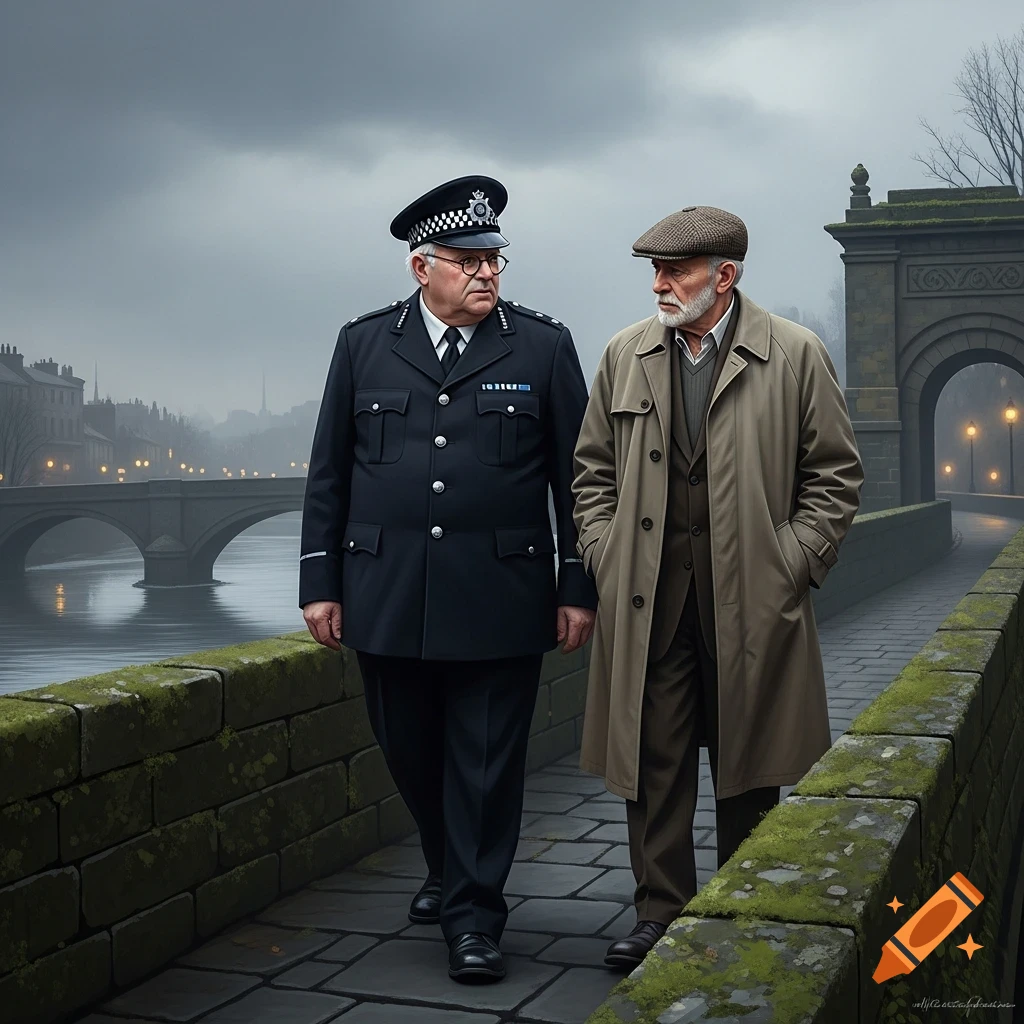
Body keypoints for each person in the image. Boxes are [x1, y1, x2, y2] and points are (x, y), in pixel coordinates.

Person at [299, 175, 597, 982]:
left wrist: (578, 585)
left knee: (487, 763)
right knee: (411, 752)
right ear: (420, 267)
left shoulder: (541, 346)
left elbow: (578, 481)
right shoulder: (363, 346)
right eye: (468, 260)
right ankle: (447, 864)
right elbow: (329, 473)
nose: (487, 274)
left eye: (495, 259)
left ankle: (473, 916)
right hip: (386, 594)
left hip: (501, 597)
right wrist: (319, 582)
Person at [571, 205, 863, 969]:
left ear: (725, 276)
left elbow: (835, 478)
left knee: (748, 766)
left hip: (752, 602)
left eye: (677, 271)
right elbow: (591, 474)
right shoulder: (622, 354)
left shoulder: (796, 355)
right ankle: (659, 916)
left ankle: (742, 907)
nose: (661, 285)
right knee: (653, 764)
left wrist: (791, 565)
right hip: (649, 603)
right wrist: (604, 555)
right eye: (655, 272)